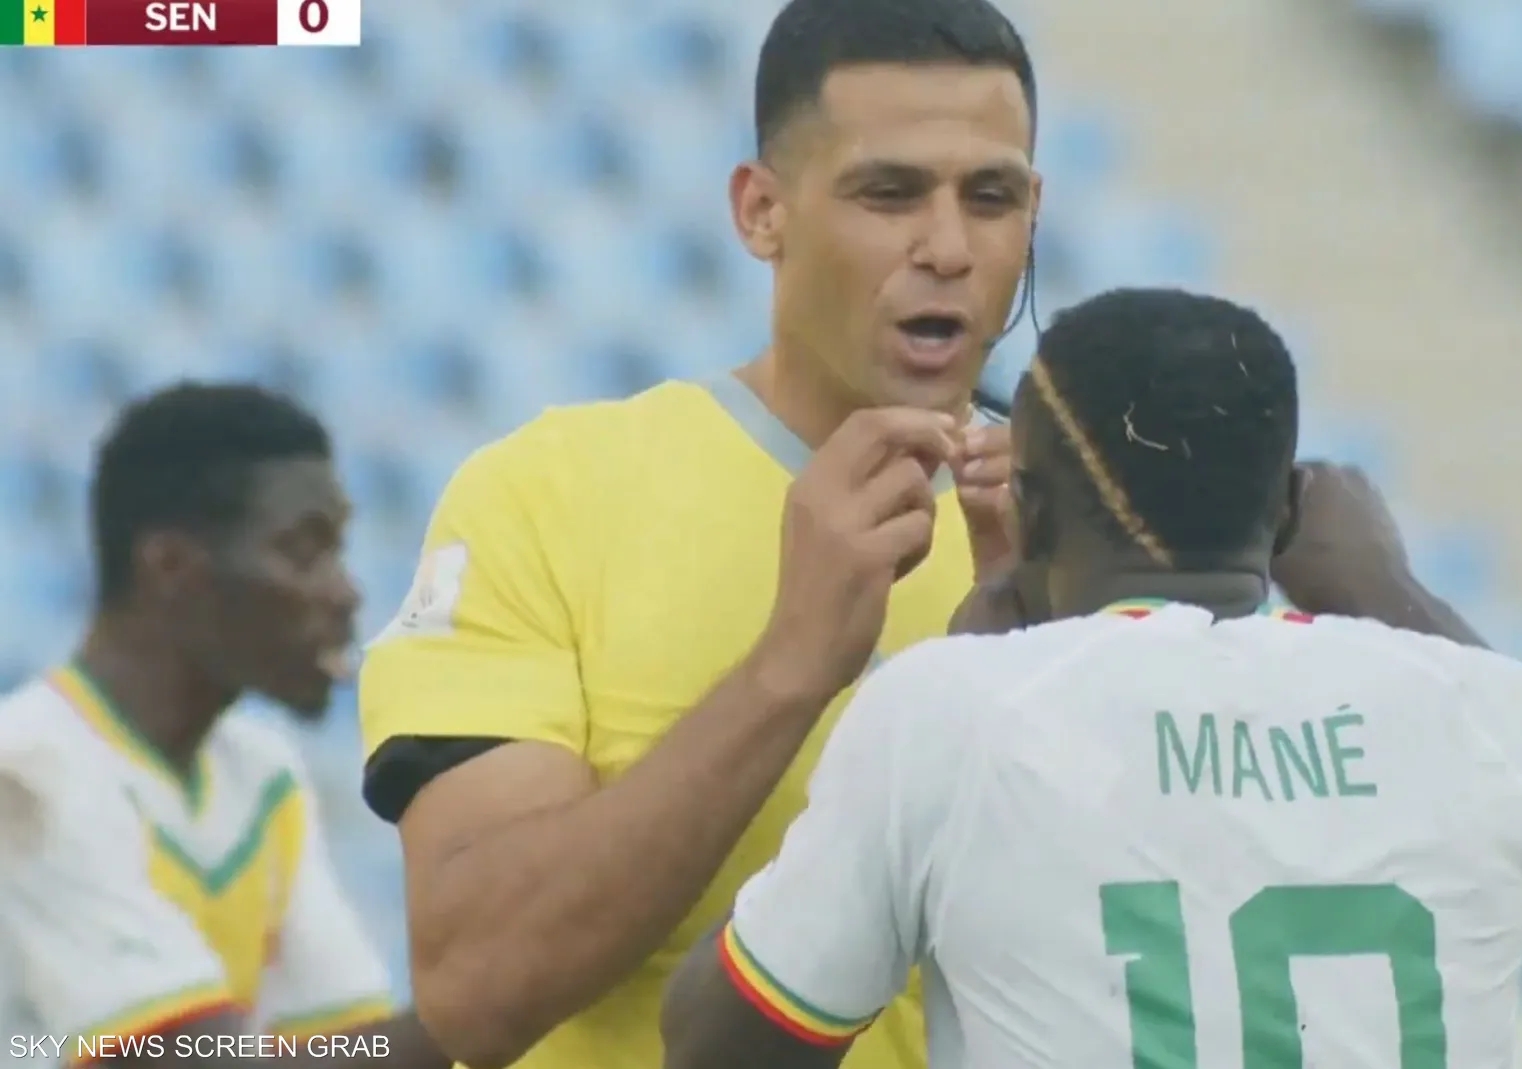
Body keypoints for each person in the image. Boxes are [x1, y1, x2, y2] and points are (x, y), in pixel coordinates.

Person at [658, 288, 1522, 1069]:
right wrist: (1393, 591)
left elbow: (722, 1043)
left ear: (1029, 511)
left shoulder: (949, 710)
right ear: (1290, 512)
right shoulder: (1481, 709)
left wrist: (971, 643)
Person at [353, 0, 1036, 1066]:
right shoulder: (548, 495)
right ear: (761, 212)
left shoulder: (1084, 527)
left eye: (990, 198)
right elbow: (474, 988)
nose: (947, 247)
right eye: (889, 193)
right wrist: (788, 669)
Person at [0, 383, 446, 1069]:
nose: (346, 591)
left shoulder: (263, 772)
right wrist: (496, 1007)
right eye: (304, 551)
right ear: (171, 567)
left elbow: (345, 1041)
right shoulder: (28, 769)